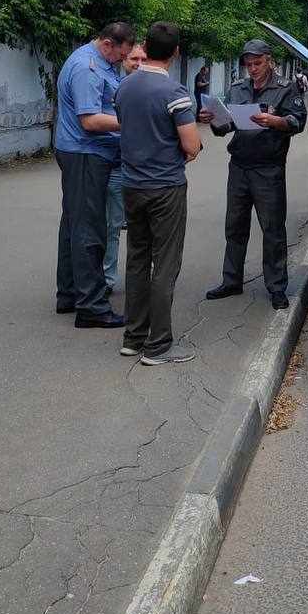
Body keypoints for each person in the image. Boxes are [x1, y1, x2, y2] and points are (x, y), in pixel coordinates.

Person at [113, 21, 201, 365]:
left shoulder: (123, 88)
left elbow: (126, 126)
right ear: (176, 52)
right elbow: (191, 144)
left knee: (137, 259)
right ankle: (159, 344)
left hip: (131, 185)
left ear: (145, 48)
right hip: (165, 187)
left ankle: (133, 337)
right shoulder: (175, 94)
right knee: (164, 264)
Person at [201, 38, 306, 309]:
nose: (253, 69)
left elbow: (298, 121)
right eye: (248, 64)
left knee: (272, 229)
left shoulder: (284, 88)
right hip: (239, 166)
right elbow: (225, 127)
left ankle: (276, 287)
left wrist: (276, 121)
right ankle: (231, 280)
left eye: (257, 63)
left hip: (268, 168)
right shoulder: (238, 88)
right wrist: (213, 119)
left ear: (269, 60)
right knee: (234, 226)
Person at [54, 22, 134, 329]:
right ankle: (91, 306)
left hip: (83, 153)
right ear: (107, 44)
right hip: (86, 154)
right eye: (121, 55)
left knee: (74, 224)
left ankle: (70, 294)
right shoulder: (87, 68)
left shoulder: (98, 61)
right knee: (90, 229)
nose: (121, 61)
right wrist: (130, 121)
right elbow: (89, 120)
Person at [103, 42, 147, 292]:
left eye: (143, 59)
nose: (139, 64)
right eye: (134, 60)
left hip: (147, 170)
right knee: (112, 225)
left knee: (148, 227)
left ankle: (145, 277)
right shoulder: (114, 88)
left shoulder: (157, 88)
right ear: (124, 61)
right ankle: (107, 279)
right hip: (118, 166)